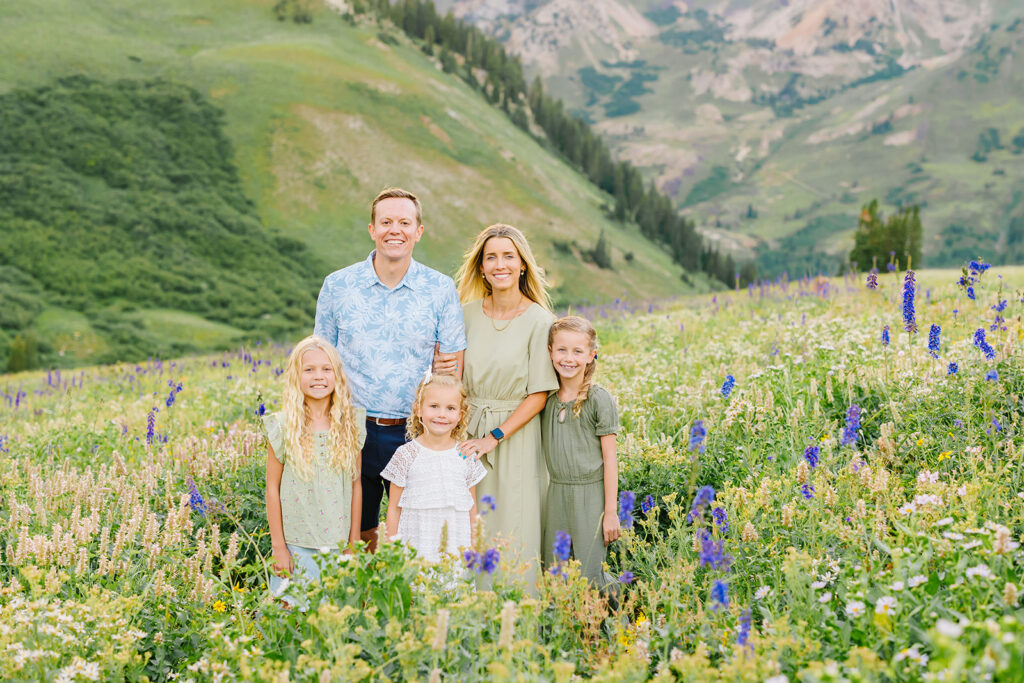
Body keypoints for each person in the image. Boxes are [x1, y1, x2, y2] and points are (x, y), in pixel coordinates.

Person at [314, 188, 466, 551]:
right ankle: (362, 600)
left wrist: (442, 372)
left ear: (418, 231)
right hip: (352, 427)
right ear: (371, 229)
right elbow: (321, 362)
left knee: (415, 528)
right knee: (356, 530)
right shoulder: (338, 286)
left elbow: (451, 372)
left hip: (416, 432)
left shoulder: (440, 289)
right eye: (386, 222)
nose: (394, 230)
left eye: (404, 222)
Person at [450, 223, 559, 592]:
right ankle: (472, 621)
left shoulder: (540, 321)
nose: (500, 264)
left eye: (508, 256)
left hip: (517, 439)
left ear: (523, 265)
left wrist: (494, 436)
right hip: (465, 435)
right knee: (469, 528)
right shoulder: (464, 314)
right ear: (480, 267)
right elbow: (452, 379)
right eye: (491, 257)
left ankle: (518, 618)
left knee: (515, 526)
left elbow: (539, 394)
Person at [264, 335, 365, 605]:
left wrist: (353, 542)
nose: (318, 376)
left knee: (333, 622)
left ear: (337, 376)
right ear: (296, 376)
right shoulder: (283, 425)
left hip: (337, 544)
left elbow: (355, 485)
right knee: (291, 622)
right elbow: (272, 488)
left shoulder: (351, 425)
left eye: (326, 369)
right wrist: (279, 548)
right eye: (309, 369)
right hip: (296, 545)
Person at [541, 316, 620, 585]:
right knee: (555, 571)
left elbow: (610, 459)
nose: (568, 358)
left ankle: (613, 614)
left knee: (589, 573)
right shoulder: (546, 400)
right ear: (550, 351)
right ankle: (561, 626)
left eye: (578, 351)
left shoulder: (598, 399)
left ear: (591, 355)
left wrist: (610, 511)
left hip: (591, 496)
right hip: (557, 494)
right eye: (561, 349)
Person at [381, 374, 487, 561]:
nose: (442, 414)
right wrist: (390, 549)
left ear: (460, 415)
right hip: (415, 548)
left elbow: (471, 506)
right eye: (434, 406)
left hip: (455, 548)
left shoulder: (465, 456)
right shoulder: (406, 455)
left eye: (450, 408)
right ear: (418, 409)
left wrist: (475, 543)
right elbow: (394, 508)